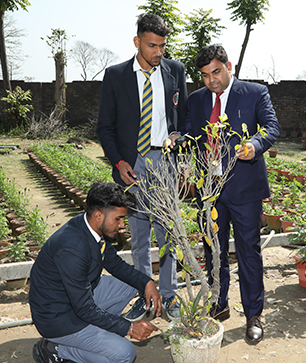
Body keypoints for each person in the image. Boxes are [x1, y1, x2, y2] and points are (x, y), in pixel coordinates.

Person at [170, 44, 280, 344]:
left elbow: (271, 127)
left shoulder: (255, 93)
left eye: (216, 72)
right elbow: (191, 131)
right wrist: (178, 138)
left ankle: (254, 314)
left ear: (228, 66)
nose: (211, 81)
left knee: (248, 252)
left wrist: (255, 145)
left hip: (245, 189)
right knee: (213, 251)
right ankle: (218, 303)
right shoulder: (197, 99)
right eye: (205, 75)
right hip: (209, 190)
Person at [96, 13, 188, 321]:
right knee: (139, 236)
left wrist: (178, 135)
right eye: (152, 46)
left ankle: (170, 296)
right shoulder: (116, 76)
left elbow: (184, 119)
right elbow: (105, 128)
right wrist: (119, 162)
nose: (159, 53)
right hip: (132, 165)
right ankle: (145, 295)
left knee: (168, 234)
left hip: (165, 162)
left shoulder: (175, 70)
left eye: (162, 45)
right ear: (137, 42)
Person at [29, 182, 161, 363]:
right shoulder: (72, 248)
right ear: (99, 215)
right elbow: (84, 308)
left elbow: (115, 265)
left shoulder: (90, 227)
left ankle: (97, 335)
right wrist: (128, 328)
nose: (122, 225)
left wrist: (147, 282)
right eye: (118, 219)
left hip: (75, 301)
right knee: (125, 353)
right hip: (58, 317)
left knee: (131, 283)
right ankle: (56, 348)